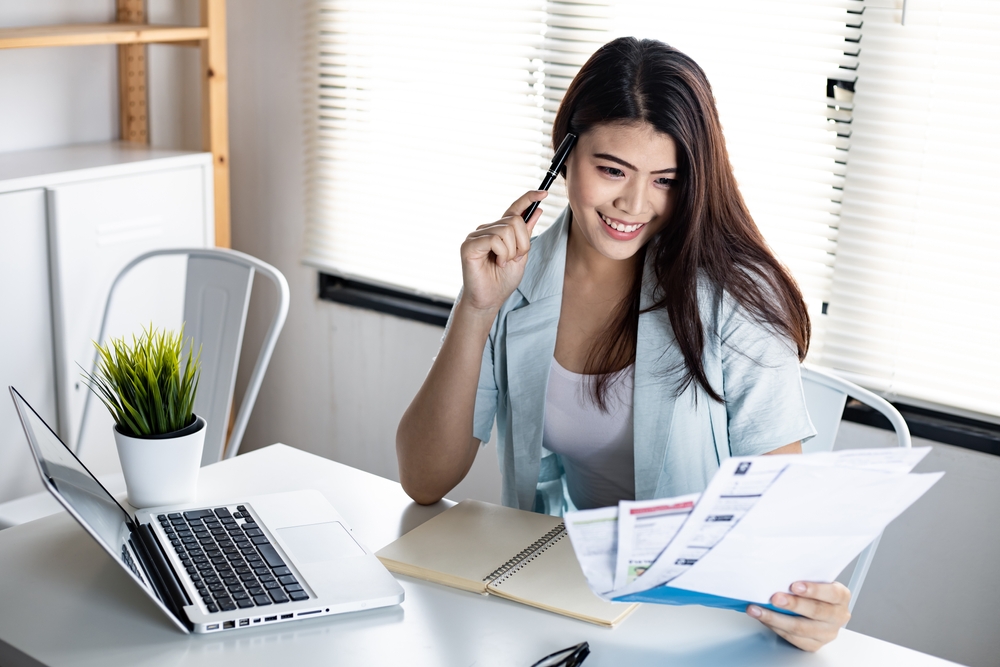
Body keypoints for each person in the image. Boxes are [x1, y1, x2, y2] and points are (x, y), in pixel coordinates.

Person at [396, 36, 850, 651]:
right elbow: (424, 479)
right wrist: (477, 308)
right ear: (565, 155)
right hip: (559, 598)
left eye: (665, 179)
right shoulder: (516, 273)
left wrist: (814, 606)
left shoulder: (734, 297)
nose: (634, 205)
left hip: (694, 614)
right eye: (611, 170)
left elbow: (777, 526)